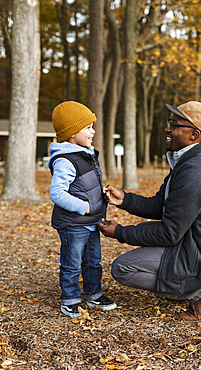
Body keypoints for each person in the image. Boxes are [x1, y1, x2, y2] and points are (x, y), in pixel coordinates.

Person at [98, 101, 201, 322]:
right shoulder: (188, 161)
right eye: (170, 123)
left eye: (174, 124)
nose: (167, 129)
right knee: (140, 253)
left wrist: (121, 233)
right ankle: (196, 285)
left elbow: (168, 233)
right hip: (196, 243)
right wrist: (125, 199)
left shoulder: (196, 173)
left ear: (193, 135)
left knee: (122, 268)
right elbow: (161, 205)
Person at [48, 101, 116, 318]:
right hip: (73, 224)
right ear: (71, 132)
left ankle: (94, 295)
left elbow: (83, 186)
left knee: (93, 262)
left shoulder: (85, 153)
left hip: (91, 222)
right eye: (87, 127)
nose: (93, 131)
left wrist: (100, 195)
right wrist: (84, 206)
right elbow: (57, 193)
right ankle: (70, 300)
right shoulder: (65, 160)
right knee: (72, 264)